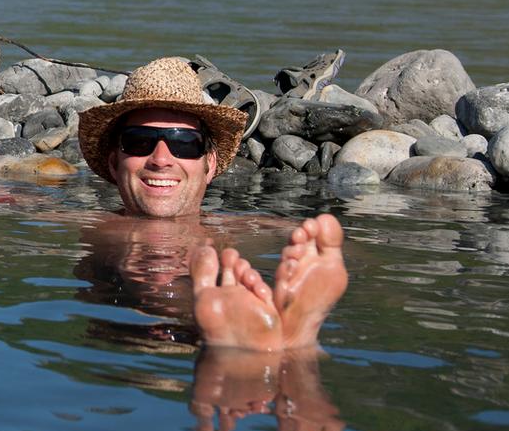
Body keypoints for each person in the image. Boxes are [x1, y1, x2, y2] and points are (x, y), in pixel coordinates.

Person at [73, 55, 348, 354]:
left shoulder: (256, 229)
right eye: (139, 142)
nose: (161, 160)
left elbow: (344, 253)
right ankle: (287, 346)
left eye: (184, 143)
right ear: (114, 164)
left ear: (211, 165)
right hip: (125, 309)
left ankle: (273, 342)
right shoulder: (89, 222)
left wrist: (322, 246)